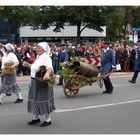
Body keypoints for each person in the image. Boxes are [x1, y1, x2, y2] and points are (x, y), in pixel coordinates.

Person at [23, 42, 55, 127]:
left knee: (43, 99)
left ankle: (48, 120)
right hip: (34, 81)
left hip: (42, 82)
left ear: (44, 49)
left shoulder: (46, 57)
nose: (37, 49)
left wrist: (47, 74)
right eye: (37, 47)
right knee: (34, 99)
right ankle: (35, 118)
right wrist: (28, 65)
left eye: (39, 48)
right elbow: (35, 68)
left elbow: (50, 68)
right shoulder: (38, 57)